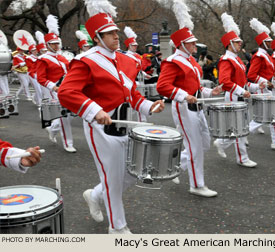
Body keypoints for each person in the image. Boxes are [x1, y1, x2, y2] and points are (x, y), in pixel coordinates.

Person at [58, 0, 164, 234]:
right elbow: (66, 92)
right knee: (113, 179)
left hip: (127, 126)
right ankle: (118, 228)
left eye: (116, 32)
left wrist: (149, 106)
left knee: (132, 173)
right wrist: (94, 111)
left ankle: (94, 195)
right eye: (109, 34)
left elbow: (132, 94)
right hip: (101, 129)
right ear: (97, 37)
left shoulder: (126, 61)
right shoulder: (86, 61)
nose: (116, 37)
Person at [157, 0, 222, 197]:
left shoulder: (191, 61)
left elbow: (195, 86)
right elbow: (163, 86)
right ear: (182, 44)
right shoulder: (173, 62)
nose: (195, 45)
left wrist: (211, 92)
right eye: (192, 43)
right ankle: (197, 184)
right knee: (195, 148)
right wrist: (184, 96)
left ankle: (176, 165)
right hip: (184, 109)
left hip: (197, 107)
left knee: (204, 143)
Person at [213, 12, 260, 168]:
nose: (240, 45)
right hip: (233, 96)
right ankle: (242, 158)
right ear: (230, 44)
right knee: (239, 128)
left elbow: (243, 80)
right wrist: (242, 92)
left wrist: (254, 86)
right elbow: (224, 81)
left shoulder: (237, 59)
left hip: (238, 95)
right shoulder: (226, 59)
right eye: (237, 42)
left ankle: (222, 142)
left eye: (240, 42)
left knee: (239, 127)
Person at [247, 18, 275, 152]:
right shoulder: (259, 56)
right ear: (263, 43)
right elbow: (251, 75)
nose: (271, 43)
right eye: (268, 42)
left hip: (267, 88)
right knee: (267, 117)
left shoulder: (266, 56)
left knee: (271, 116)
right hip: (261, 89)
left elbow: (271, 74)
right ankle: (236, 137)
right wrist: (265, 83)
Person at [36, 15, 76, 153]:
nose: (56, 45)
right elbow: (40, 78)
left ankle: (52, 129)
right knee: (64, 117)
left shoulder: (62, 57)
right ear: (47, 45)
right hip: (55, 90)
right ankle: (68, 143)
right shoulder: (43, 59)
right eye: (52, 43)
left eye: (56, 43)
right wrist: (53, 87)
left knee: (69, 116)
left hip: (68, 88)